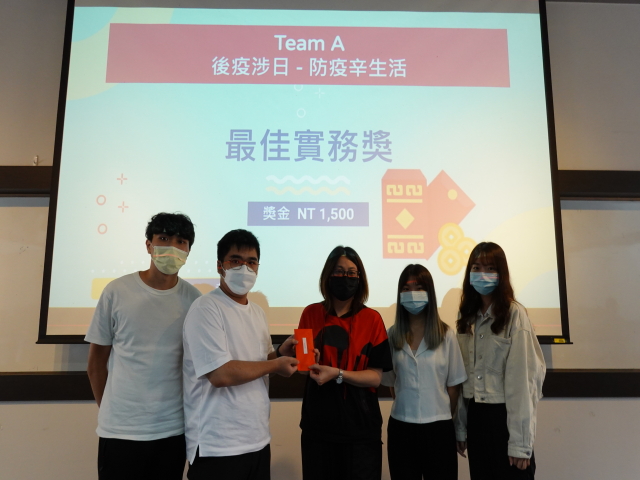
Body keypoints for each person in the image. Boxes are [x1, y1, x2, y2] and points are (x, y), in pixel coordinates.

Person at [85, 212, 202, 480]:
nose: (172, 247)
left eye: (181, 241)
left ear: (188, 251)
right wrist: (112, 411)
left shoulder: (195, 300)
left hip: (172, 430)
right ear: (149, 245)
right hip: (120, 431)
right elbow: (95, 365)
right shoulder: (116, 291)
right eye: (164, 239)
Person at [182, 229, 299, 480]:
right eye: (235, 260)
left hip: (257, 439)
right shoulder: (206, 308)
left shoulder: (257, 312)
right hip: (218, 446)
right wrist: (275, 364)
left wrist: (280, 353)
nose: (244, 268)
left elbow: (260, 364)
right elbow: (220, 374)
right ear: (220, 266)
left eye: (251, 262)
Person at [298, 246, 393, 480]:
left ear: (360, 278)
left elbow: (375, 377)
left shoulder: (373, 319)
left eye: (352, 272)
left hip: (361, 432)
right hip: (318, 429)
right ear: (328, 275)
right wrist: (310, 364)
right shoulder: (310, 313)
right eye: (339, 271)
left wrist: (338, 373)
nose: (346, 277)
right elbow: (303, 368)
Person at [454, 242, 546, 480]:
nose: (482, 273)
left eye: (490, 268)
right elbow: (463, 380)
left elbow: (523, 383)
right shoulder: (466, 317)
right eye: (476, 267)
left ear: (501, 273)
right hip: (477, 419)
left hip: (504, 420)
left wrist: (520, 443)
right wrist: (461, 428)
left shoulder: (515, 315)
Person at [382, 264, 467, 480]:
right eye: (406, 289)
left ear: (429, 292)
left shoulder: (446, 335)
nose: (412, 294)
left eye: (419, 288)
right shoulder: (391, 336)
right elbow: (392, 384)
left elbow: (454, 387)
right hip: (401, 428)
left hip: (439, 428)